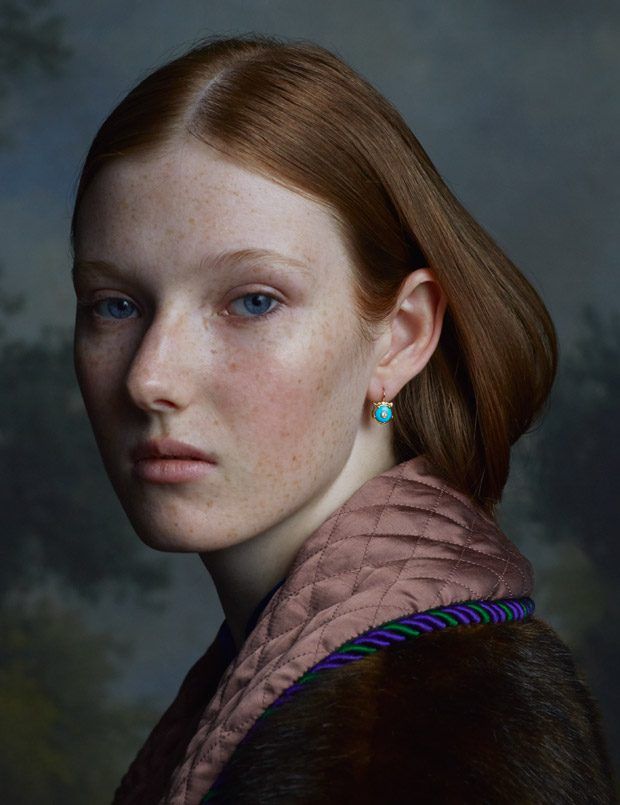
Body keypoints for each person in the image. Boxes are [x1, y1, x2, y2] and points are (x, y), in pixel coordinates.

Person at [69, 34, 616, 804]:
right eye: (114, 305)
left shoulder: (410, 739)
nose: (149, 377)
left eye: (253, 300)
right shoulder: (297, 675)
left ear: (401, 336)